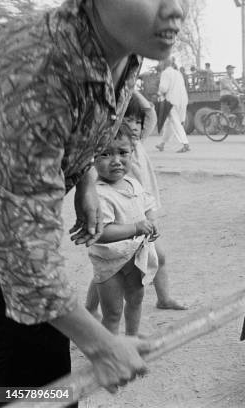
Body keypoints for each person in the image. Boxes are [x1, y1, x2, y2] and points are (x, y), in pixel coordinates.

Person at [0, 0, 186, 395]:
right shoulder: (42, 67)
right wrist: (100, 343)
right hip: (8, 235)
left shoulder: (124, 49)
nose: (176, 10)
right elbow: (23, 250)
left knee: (45, 378)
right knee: (27, 380)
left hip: (12, 227)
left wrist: (83, 179)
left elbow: (85, 126)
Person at [86, 91, 187, 316]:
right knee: (110, 267)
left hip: (142, 213)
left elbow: (150, 113)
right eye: (128, 119)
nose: (134, 125)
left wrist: (130, 90)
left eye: (137, 121)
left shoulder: (135, 144)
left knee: (151, 258)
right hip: (125, 218)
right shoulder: (117, 149)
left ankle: (164, 298)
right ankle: (91, 308)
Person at [89, 125, 160, 336]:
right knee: (112, 313)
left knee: (136, 301)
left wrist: (151, 224)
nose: (116, 160)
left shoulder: (133, 183)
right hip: (109, 264)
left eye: (122, 152)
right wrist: (136, 228)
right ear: (92, 157)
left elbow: (148, 206)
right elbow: (100, 234)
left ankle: (131, 344)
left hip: (136, 258)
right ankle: (110, 357)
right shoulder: (98, 194)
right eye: (105, 154)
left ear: (132, 152)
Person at [155, 58, 190, 153]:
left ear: (164, 64)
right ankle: (162, 144)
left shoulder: (165, 73)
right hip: (182, 99)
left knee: (175, 122)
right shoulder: (178, 73)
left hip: (171, 100)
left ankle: (185, 143)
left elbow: (163, 88)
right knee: (170, 123)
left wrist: (159, 92)